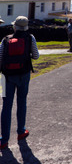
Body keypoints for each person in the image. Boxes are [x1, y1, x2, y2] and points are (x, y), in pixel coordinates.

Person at [0, 16, 39, 150]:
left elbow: (0, 58)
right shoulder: (30, 37)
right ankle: (21, 132)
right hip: (24, 74)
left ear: (15, 26)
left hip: (6, 77)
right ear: (26, 26)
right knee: (21, 102)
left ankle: (4, 140)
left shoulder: (6, 39)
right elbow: (36, 56)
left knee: (6, 106)